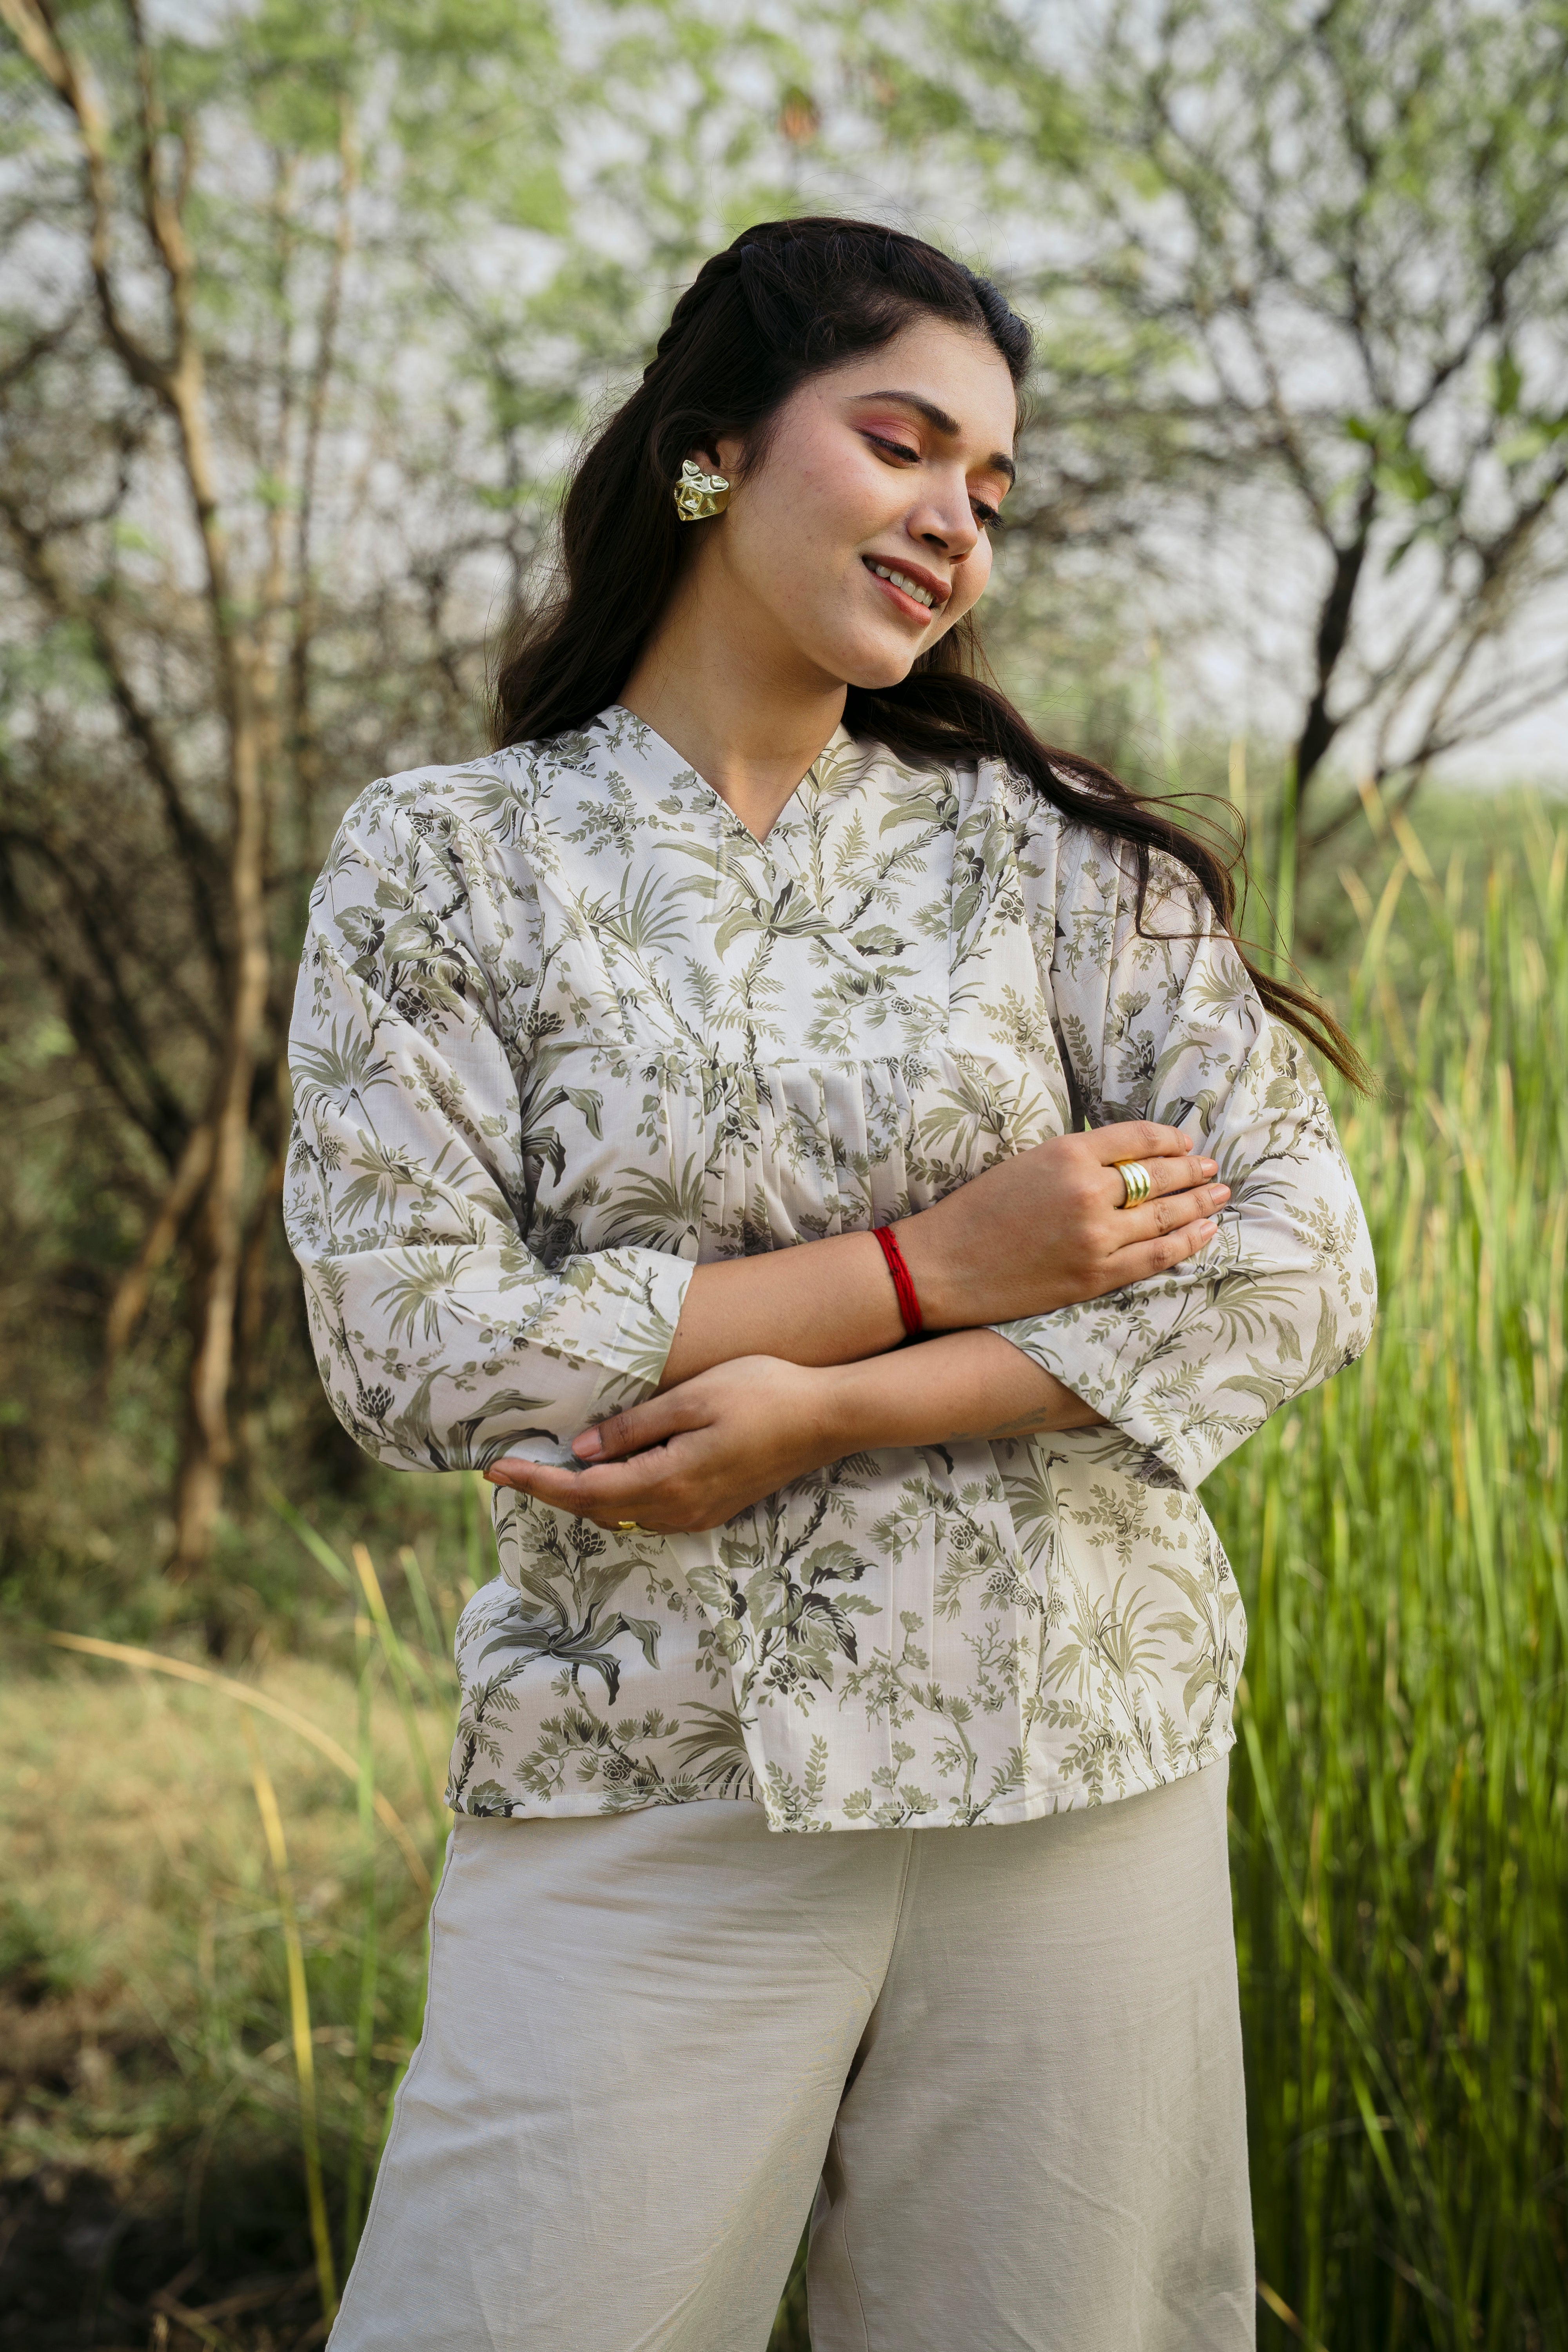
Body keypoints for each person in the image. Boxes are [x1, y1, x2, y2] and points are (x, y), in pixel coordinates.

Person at [285, 216, 1375, 2352]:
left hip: (1076, 1758)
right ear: (714, 452)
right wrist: (919, 1267)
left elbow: (1297, 1266)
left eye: (992, 489)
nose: (955, 521)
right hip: (649, 1771)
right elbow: (410, 1339)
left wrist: (855, 1395)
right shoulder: (446, 861)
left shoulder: (1064, 865)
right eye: (903, 445)